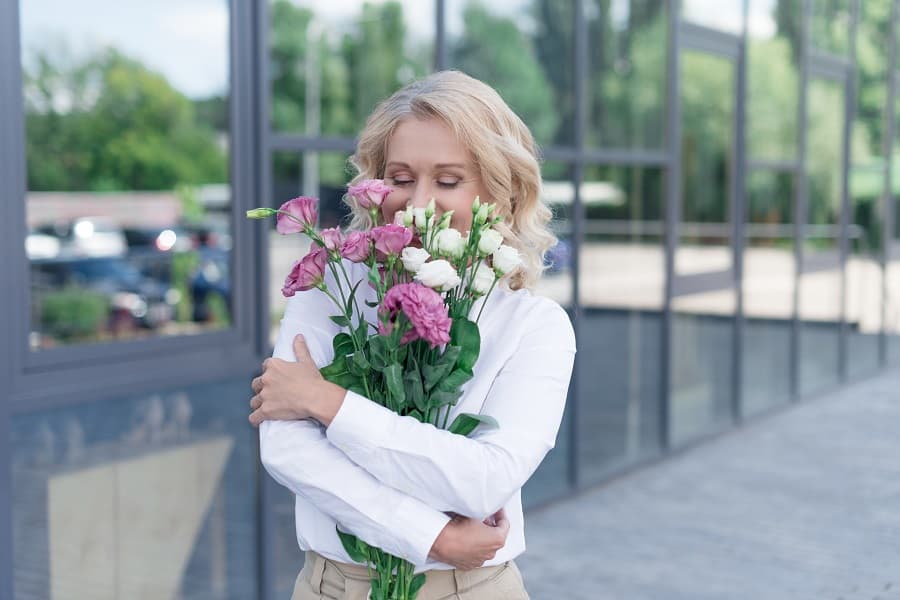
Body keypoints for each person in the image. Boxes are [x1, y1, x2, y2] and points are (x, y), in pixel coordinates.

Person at [249, 70, 576, 600]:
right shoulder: (329, 285)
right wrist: (433, 535)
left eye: (448, 181)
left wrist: (326, 402)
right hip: (331, 588)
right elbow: (287, 447)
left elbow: (484, 480)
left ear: (501, 190)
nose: (420, 202)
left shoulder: (534, 326)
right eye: (400, 178)